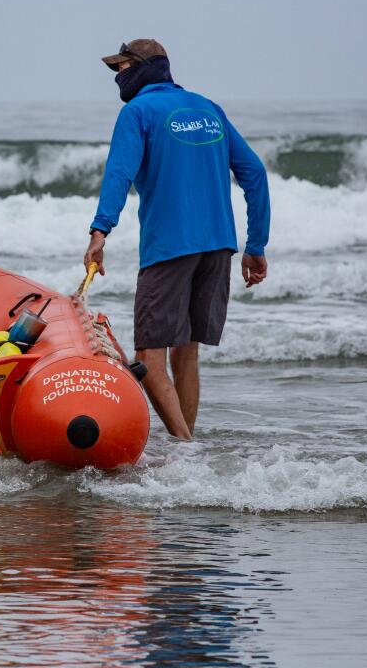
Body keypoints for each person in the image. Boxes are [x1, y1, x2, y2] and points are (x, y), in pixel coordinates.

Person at [83, 39, 269, 441]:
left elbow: (119, 174)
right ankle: (187, 452)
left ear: (143, 67)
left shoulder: (137, 112)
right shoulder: (208, 109)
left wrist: (100, 231)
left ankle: (184, 449)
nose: (118, 75)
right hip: (218, 246)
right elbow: (255, 173)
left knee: (148, 359)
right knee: (186, 353)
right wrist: (256, 245)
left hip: (169, 249)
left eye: (122, 66)